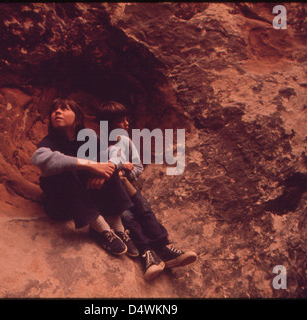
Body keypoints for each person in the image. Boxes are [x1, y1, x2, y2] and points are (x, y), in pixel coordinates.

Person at [96, 101, 198, 280]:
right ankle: (148, 253)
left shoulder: (125, 142)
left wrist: (128, 170)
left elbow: (138, 167)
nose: (127, 124)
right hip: (111, 195)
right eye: (121, 121)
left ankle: (164, 247)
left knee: (143, 207)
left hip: (127, 186)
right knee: (127, 217)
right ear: (107, 125)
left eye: (126, 120)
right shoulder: (96, 145)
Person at [31, 98, 138, 256]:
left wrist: (104, 170)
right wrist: (89, 165)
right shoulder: (49, 141)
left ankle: (118, 228)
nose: (57, 112)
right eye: (54, 111)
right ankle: (101, 229)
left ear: (78, 117)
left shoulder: (86, 138)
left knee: (108, 166)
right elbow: (39, 158)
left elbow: (113, 153)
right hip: (60, 206)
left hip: (86, 198)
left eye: (64, 109)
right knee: (65, 169)